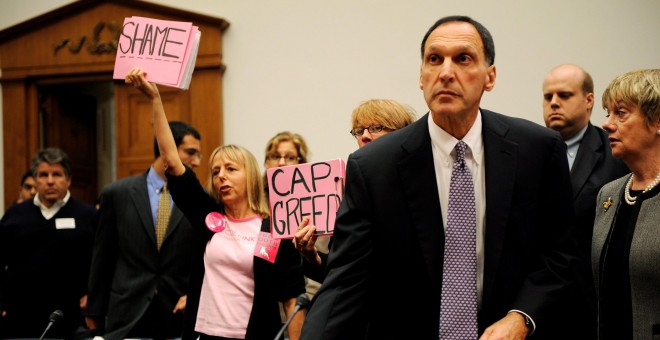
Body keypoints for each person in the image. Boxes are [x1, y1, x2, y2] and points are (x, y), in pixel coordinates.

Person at [300, 15, 576, 339]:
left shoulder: (537, 151)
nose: (446, 72)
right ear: (421, 76)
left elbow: (559, 253)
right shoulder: (374, 167)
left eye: (463, 58)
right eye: (434, 60)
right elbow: (345, 282)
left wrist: (521, 317)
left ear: (490, 76)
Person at [126, 67, 306, 340]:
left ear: (251, 176)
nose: (221, 175)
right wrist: (155, 100)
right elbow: (173, 162)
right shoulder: (210, 219)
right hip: (204, 335)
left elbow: (292, 298)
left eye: (231, 169)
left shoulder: (274, 228)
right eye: (216, 171)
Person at [85, 121, 202, 339]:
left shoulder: (199, 198)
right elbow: (103, 255)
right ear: (166, 148)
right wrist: (95, 310)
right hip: (127, 311)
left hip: (177, 313)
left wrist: (195, 296)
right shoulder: (117, 194)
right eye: (191, 152)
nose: (196, 161)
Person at [542, 64, 629, 339]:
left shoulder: (616, 151)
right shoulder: (530, 149)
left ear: (589, 100)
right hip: (540, 300)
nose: (554, 102)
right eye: (548, 97)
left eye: (564, 95)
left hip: (594, 301)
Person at [293, 98, 417, 283]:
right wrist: (314, 258)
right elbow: (344, 273)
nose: (364, 136)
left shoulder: (420, 183)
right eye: (359, 131)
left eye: (376, 128)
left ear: (402, 133)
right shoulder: (349, 195)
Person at [0, 147, 97, 339]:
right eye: (43, 175)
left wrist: (94, 297)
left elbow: (103, 262)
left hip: (73, 318)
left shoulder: (88, 216)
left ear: (68, 179)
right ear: (35, 180)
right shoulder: (15, 215)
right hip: (21, 318)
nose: (50, 181)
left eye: (57, 174)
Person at [592, 68, 660, 340]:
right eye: (607, 113)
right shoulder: (609, 194)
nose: (608, 124)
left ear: (657, 120)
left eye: (621, 113)